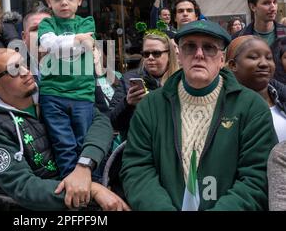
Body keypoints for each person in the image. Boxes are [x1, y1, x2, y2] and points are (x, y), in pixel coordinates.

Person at [120, 20, 278, 211]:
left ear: (222, 59)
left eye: (209, 48)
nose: (199, 54)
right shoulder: (150, 106)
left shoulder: (251, 107)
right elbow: (137, 169)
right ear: (179, 56)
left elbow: (256, 178)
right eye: (190, 47)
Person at [0, 48, 129, 211]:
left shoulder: (53, 91)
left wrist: (84, 167)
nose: (26, 72)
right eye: (14, 70)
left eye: (24, 63)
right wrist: (91, 190)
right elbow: (24, 187)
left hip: (96, 183)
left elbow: (101, 122)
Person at [37, 0, 96, 178]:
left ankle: (89, 185)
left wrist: (69, 43)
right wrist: (77, 39)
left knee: (83, 143)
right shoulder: (46, 23)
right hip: (52, 94)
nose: (64, 2)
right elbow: (48, 44)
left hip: (82, 94)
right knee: (63, 144)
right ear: (48, 1)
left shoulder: (87, 22)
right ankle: (69, 185)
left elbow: (82, 46)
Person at [109, 31, 179, 140]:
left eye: (156, 53)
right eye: (146, 54)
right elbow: (113, 122)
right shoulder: (128, 79)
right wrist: (127, 104)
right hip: (136, 146)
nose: (150, 57)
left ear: (169, 55)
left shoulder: (179, 80)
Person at [227, 35, 286, 142]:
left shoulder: (283, 97)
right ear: (233, 65)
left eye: (269, 58)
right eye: (253, 57)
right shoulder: (224, 105)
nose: (264, 64)